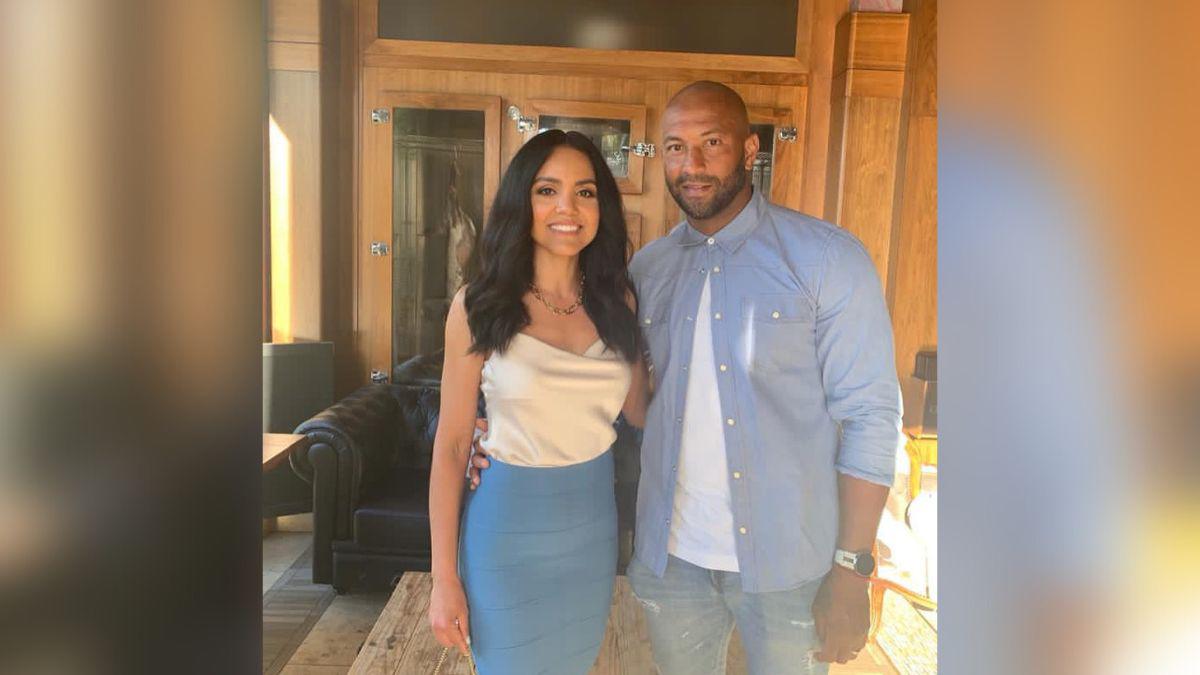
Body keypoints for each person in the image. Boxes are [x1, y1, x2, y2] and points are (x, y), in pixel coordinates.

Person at [471, 81, 902, 674]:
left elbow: (871, 416)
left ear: (750, 149)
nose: (691, 164)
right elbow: (610, 395)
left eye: (712, 142)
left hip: (791, 569)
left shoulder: (827, 260)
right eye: (675, 147)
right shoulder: (645, 273)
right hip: (673, 567)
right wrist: (493, 434)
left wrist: (853, 568)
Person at [427, 129, 648, 674]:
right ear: (520, 202)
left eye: (585, 192)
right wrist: (443, 579)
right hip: (506, 536)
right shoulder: (479, 305)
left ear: (602, 207)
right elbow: (453, 446)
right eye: (547, 191)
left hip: (592, 532)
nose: (567, 208)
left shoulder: (618, 301)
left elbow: (642, 411)